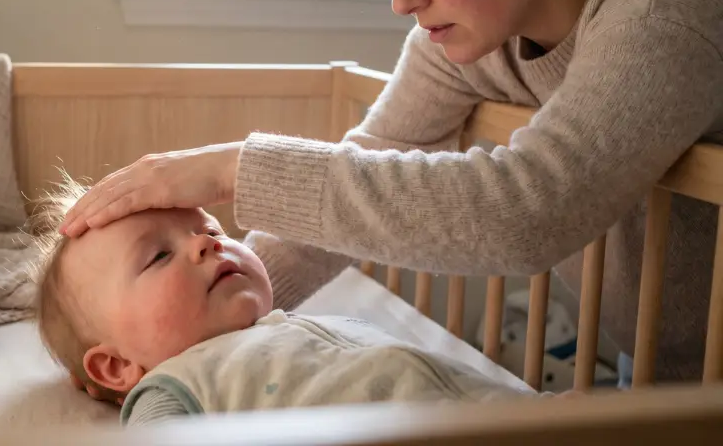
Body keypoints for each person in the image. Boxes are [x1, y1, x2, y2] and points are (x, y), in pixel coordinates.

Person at [60, 0, 723, 387]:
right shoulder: (470, 37)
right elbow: (353, 191)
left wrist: (233, 169)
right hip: (666, 363)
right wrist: (200, 347)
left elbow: (531, 208)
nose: (402, 0)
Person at [31, 176, 539, 426]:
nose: (204, 242)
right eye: (159, 257)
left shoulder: (291, 327)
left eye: (209, 227)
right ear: (118, 365)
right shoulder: (175, 387)